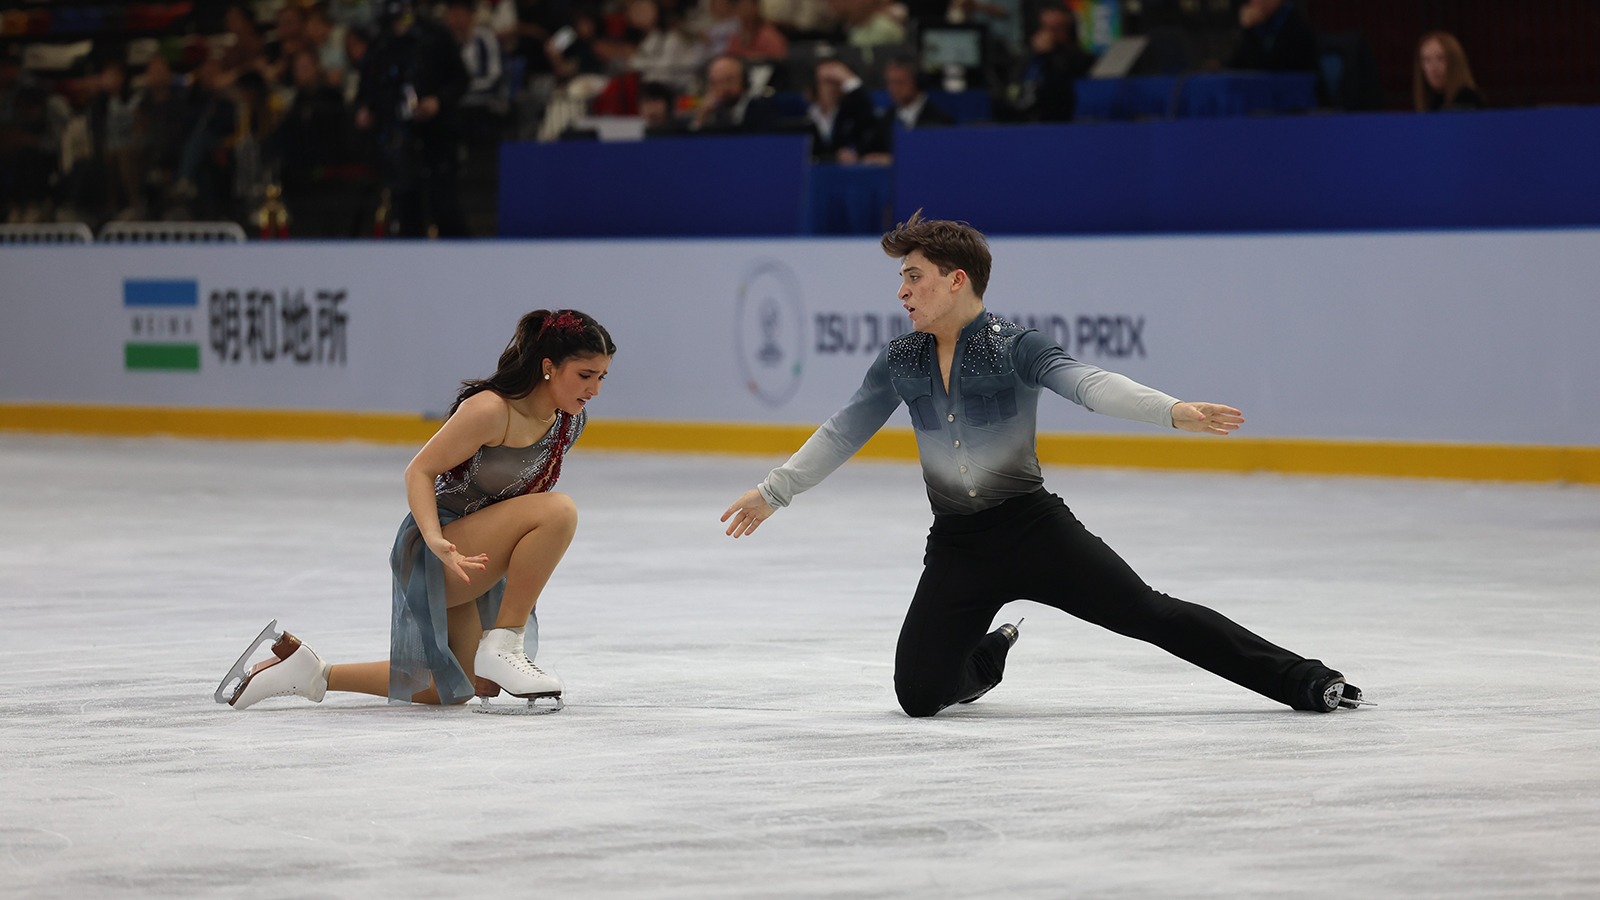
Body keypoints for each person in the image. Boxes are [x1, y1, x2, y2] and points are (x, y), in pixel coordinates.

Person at [720, 213, 1366, 718]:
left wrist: (1171, 411)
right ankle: (990, 654)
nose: (902, 291)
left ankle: (1306, 679)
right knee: (919, 696)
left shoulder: (1013, 346)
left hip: (1034, 530)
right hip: (959, 546)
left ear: (956, 279)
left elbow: (1090, 383)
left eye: (913, 276)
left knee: (1151, 614)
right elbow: (845, 428)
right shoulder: (903, 359)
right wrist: (775, 492)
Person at [219, 309, 616, 711]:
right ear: (548, 366)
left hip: (474, 555)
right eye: (585, 375)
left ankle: (311, 673)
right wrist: (436, 539)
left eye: (602, 377)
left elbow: (511, 510)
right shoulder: (491, 410)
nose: (595, 389)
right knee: (559, 510)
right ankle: (504, 643)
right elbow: (419, 471)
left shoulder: (570, 421)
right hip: (433, 550)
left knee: (453, 689)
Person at [1227, 0, 1318, 74]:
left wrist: (1248, 34)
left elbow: (1269, 68)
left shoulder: (1297, 27)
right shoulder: (1250, 24)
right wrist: (1244, 30)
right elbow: (1233, 68)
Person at [1414, 31, 1482, 112]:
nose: (1433, 68)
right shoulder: (1430, 101)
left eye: (1441, 59)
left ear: (1455, 62)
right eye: (1426, 60)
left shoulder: (1468, 100)